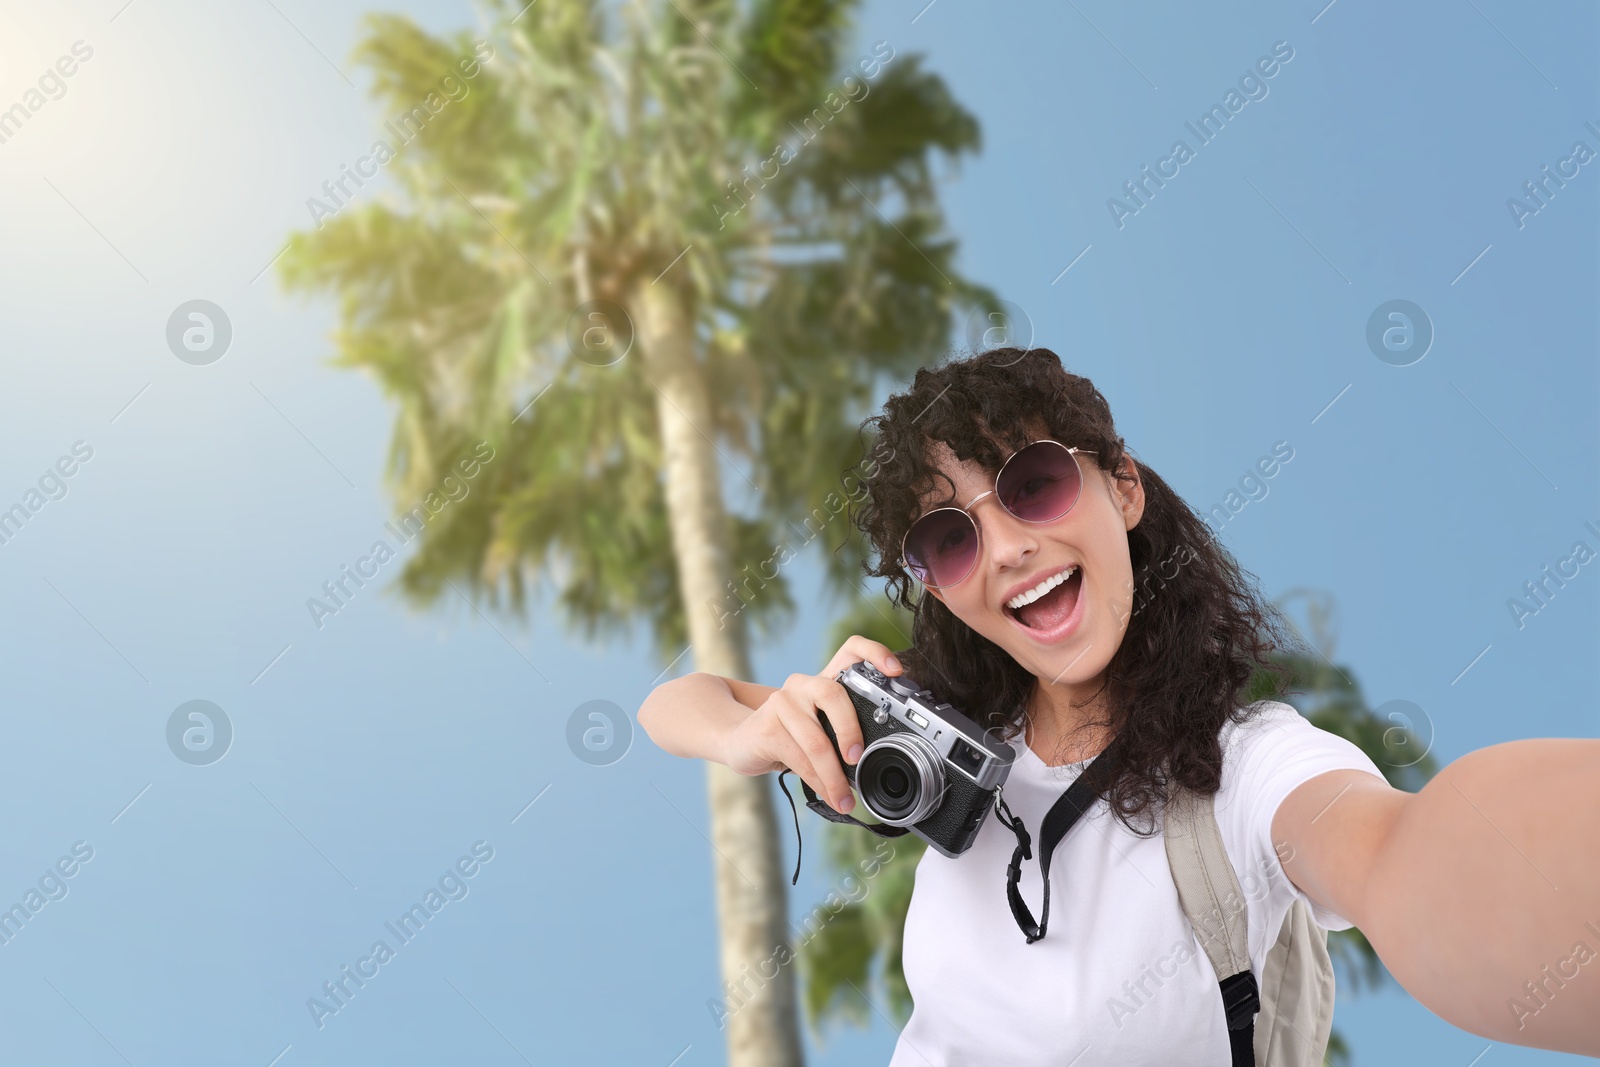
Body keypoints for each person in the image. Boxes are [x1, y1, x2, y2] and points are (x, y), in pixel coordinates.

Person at [638, 346, 1600, 1063]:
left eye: (1034, 485)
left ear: (1124, 488)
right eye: (949, 539)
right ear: (936, 586)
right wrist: (754, 731)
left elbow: (1402, 853)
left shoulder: (1247, 767)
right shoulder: (943, 736)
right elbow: (674, 701)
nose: (1007, 548)